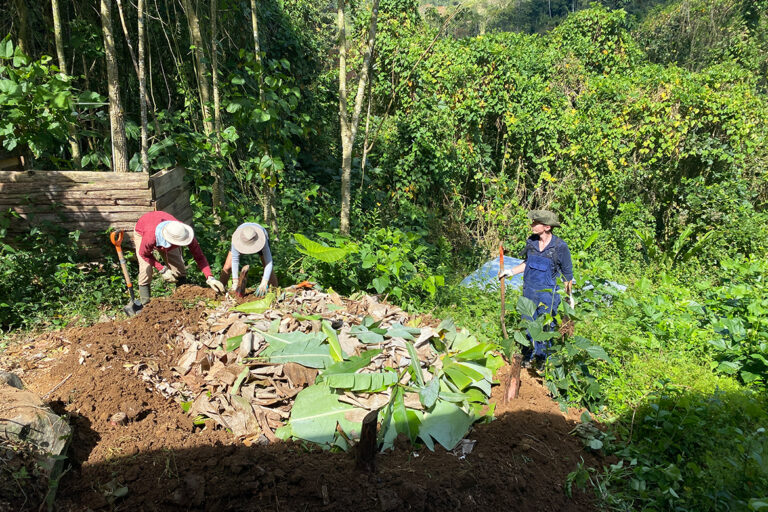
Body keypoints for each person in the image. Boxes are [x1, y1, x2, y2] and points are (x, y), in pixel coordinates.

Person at [499, 209, 573, 363]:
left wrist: (569, 298)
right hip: (529, 292)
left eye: (535, 222)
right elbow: (527, 263)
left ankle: (541, 360)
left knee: (545, 328)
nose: (532, 224)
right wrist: (510, 272)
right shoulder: (531, 242)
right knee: (527, 325)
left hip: (548, 296)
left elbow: (567, 275)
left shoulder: (560, 247)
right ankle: (526, 357)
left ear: (547, 227)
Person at [133, 211, 225, 304]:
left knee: (179, 269)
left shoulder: (183, 233)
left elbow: (199, 256)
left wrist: (210, 278)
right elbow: (144, 254)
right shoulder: (150, 237)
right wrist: (162, 269)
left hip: (164, 231)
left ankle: (182, 298)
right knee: (146, 269)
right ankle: (145, 303)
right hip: (143, 231)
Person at [219, 223, 278, 297]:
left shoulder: (263, 238)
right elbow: (235, 259)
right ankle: (219, 292)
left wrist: (264, 282)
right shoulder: (237, 238)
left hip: (258, 239)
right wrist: (235, 281)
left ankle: (275, 291)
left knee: (266, 264)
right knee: (227, 266)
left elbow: (269, 262)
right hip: (242, 238)